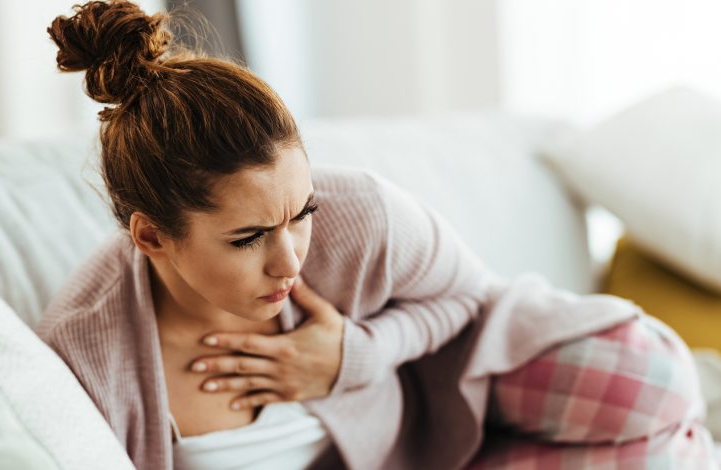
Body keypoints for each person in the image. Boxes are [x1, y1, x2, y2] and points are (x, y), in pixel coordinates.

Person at [38, 1, 713, 469]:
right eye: (247, 239)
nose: (289, 262)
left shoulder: (356, 210)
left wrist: (352, 357)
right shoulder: (92, 357)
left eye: (300, 214)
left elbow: (466, 299)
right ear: (151, 237)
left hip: (446, 389)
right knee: (665, 459)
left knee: (654, 377)